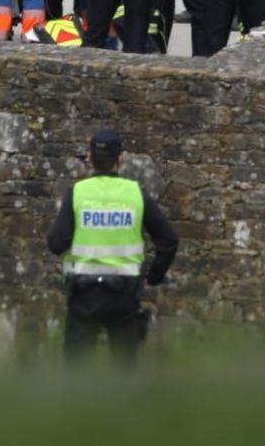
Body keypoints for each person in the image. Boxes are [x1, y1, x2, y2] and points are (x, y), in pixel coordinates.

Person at [47, 129, 179, 364]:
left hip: (84, 296)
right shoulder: (136, 195)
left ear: (90, 157)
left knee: (75, 376)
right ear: (121, 159)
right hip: (124, 297)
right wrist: (154, 276)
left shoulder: (77, 194)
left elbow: (56, 243)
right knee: (123, 374)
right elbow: (168, 241)